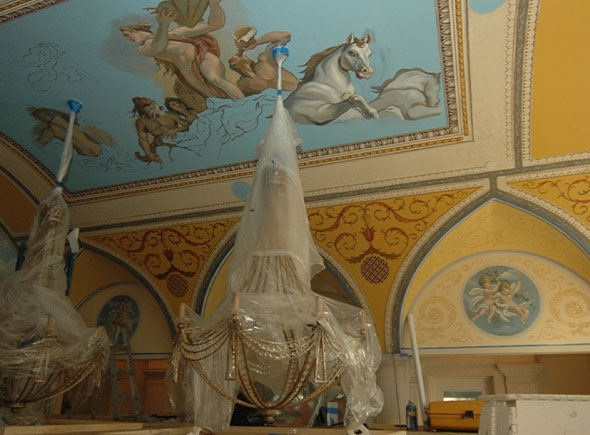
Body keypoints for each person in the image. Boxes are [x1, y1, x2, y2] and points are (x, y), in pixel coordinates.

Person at [120, 0, 244, 102]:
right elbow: (158, 47)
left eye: (126, 35)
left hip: (202, 58)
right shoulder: (143, 48)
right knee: (211, 95)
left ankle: (244, 103)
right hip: (188, 71)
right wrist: (163, 25)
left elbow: (215, 24)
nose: (127, 39)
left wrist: (214, 4)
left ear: (134, 29)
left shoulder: (174, 33)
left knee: (215, 79)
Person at [228, 28, 299, 96]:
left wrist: (255, 43)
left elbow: (285, 36)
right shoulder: (264, 62)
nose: (245, 55)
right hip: (295, 93)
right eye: (237, 57)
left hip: (296, 91)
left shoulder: (264, 60)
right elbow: (285, 36)